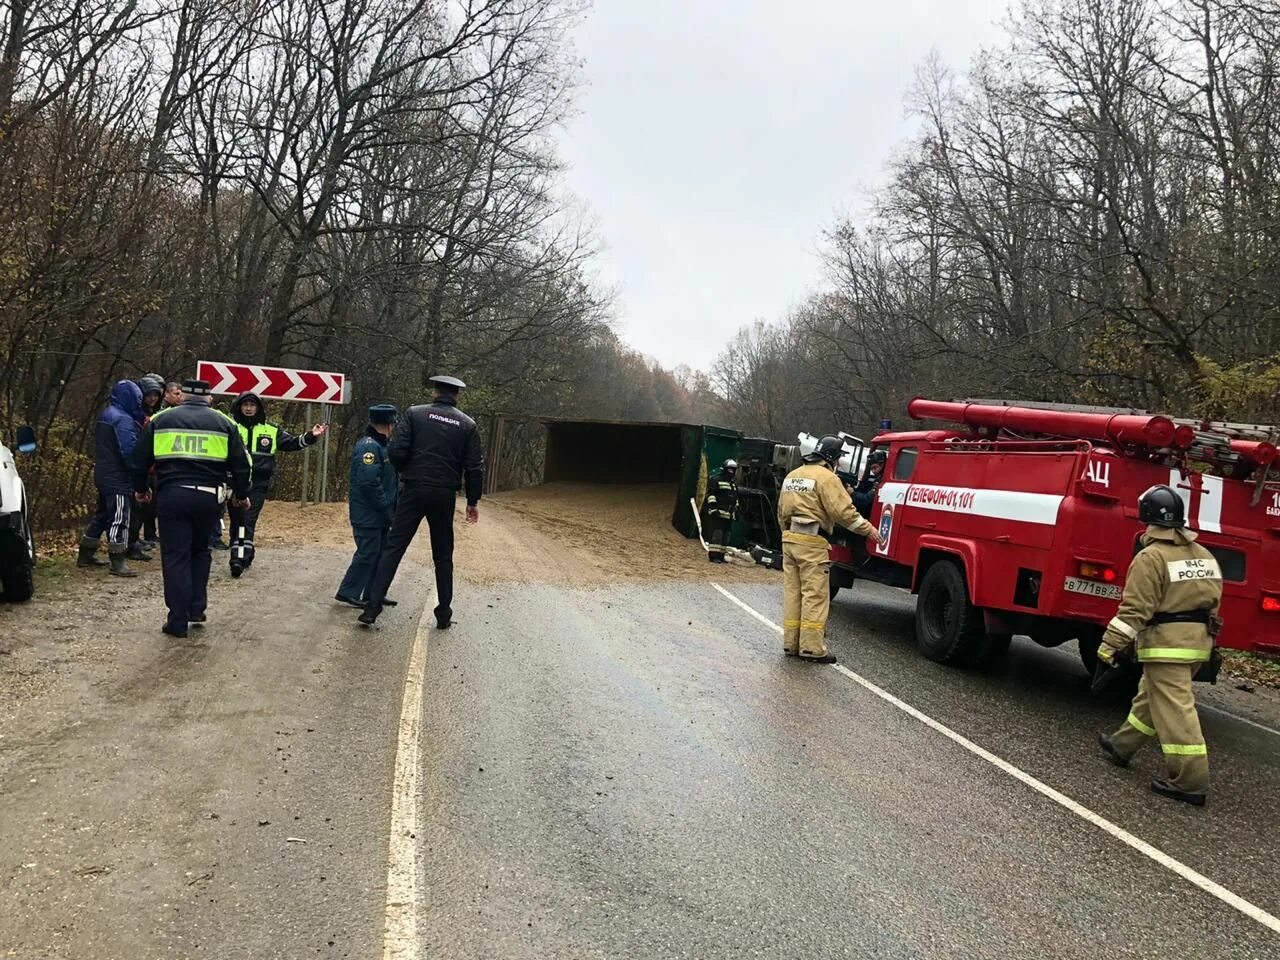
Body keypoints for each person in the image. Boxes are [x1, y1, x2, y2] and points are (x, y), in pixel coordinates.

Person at [1096, 484, 1223, 806]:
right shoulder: (1204, 555)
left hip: (1167, 646)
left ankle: (1190, 781)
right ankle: (1122, 745)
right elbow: (1214, 602)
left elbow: (1135, 610)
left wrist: (1109, 645)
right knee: (1151, 697)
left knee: (1175, 710)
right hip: (1197, 644)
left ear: (1146, 517)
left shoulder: (1151, 557)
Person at [359, 375, 484, 629]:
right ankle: (444, 614)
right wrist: (472, 501)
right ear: (456, 396)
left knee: (394, 547)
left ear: (435, 392)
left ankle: (371, 608)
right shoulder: (468, 425)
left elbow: (396, 452)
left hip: (414, 488)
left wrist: (408, 472)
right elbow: (474, 467)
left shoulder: (414, 414)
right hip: (444, 494)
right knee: (443, 554)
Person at [132, 379, 252, 638]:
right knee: (200, 551)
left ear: (183, 396)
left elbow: (139, 460)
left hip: (172, 495)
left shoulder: (161, 419)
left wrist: (142, 489)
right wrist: (241, 495)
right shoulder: (225, 423)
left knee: (176, 556)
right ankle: (196, 608)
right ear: (209, 398)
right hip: (209, 498)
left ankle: (177, 620)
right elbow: (242, 464)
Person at [777, 435, 883, 663]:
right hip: (813, 542)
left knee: (793, 593)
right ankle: (812, 648)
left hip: (789, 540)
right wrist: (869, 530)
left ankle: (791, 644)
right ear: (833, 457)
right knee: (814, 595)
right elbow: (845, 513)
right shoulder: (827, 479)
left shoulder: (792, 476)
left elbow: (781, 512)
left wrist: (786, 535)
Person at [226, 391, 326, 577]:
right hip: (234, 482)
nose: (248, 409)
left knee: (247, 519)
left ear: (258, 408)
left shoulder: (270, 430)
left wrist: (311, 435)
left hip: (258, 483)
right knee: (237, 520)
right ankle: (243, 551)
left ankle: (238, 558)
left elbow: (292, 443)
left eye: (252, 405)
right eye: (245, 405)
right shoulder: (230, 427)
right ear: (239, 407)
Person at [78, 379, 146, 577]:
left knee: (101, 514)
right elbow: (129, 451)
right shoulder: (123, 420)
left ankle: (86, 553)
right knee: (119, 516)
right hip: (117, 476)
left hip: (103, 471)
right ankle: (117, 560)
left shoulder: (107, 414)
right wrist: (137, 471)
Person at [335, 404, 400, 607]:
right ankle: (348, 591)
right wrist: (385, 508)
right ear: (389, 424)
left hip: (379, 514)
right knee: (367, 553)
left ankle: (373, 594)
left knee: (379, 553)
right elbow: (369, 483)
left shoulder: (383, 445)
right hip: (369, 513)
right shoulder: (369, 447)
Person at [127, 374, 166, 554]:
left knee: (147, 507)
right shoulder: (135, 414)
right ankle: (131, 541)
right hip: (140, 465)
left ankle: (136, 538)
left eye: (156, 395)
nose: (152, 398)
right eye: (149, 395)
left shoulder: (155, 415)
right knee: (136, 506)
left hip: (153, 466)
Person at [701, 459, 738, 563]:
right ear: (725, 469)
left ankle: (721, 555)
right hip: (718, 513)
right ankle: (713, 556)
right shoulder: (716, 480)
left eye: (734, 469)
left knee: (726, 536)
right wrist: (713, 508)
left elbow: (735, 497)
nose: (732, 472)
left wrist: (736, 510)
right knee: (717, 535)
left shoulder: (733, 484)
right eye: (730, 469)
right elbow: (711, 495)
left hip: (729, 515)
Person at [852, 449, 887, 516]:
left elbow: (866, 500)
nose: (873, 471)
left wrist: (852, 493)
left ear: (882, 465)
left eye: (875, 467)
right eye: (871, 469)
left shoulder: (881, 480)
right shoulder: (879, 478)